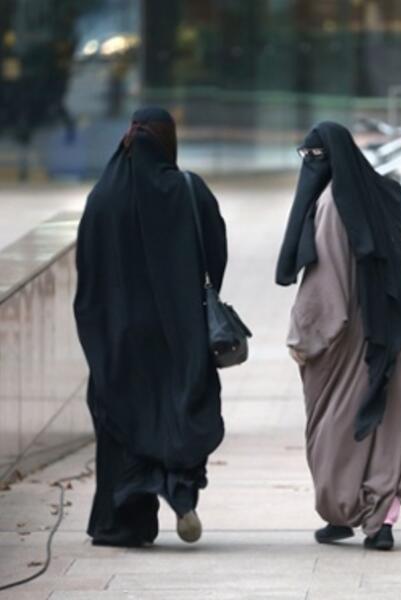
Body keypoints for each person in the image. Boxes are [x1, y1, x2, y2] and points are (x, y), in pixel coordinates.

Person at [73, 107, 227, 547]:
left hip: (119, 337)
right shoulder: (189, 190)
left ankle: (124, 520)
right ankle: (180, 494)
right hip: (179, 333)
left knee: (121, 418)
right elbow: (214, 257)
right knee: (177, 409)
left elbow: (88, 273)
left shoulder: (102, 198)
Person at [276, 121, 401, 551]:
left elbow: (326, 290)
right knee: (387, 428)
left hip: (346, 341)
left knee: (336, 429)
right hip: (391, 334)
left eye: (313, 158)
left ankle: (341, 510)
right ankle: (379, 520)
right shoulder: (381, 194)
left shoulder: (330, 208)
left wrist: (304, 339)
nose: (310, 167)